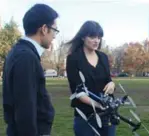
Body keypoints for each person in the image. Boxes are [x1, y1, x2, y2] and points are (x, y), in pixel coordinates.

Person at [2, 4, 59, 136]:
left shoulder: (20, 52)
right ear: (44, 29)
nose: (54, 36)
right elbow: (25, 109)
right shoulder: (26, 57)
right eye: (54, 30)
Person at [66, 20, 116, 136]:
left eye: (99, 37)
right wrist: (98, 105)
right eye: (92, 37)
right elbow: (77, 91)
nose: (97, 40)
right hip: (85, 116)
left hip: (107, 116)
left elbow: (108, 80)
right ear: (83, 37)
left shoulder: (103, 57)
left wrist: (112, 84)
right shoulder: (73, 58)